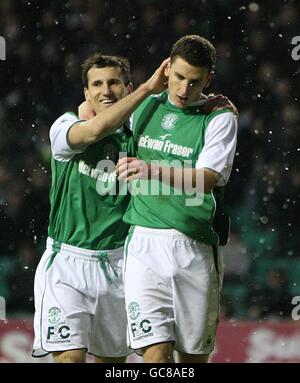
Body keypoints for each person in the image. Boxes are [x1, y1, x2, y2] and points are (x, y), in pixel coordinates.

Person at [32, 53, 169, 363]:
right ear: (86, 93)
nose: (105, 91)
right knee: (70, 359)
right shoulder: (65, 127)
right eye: (97, 84)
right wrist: (148, 88)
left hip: (121, 265)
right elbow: (93, 131)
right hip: (67, 262)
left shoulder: (141, 139)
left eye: (114, 83)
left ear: (126, 87)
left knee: (113, 363)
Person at [116, 35, 238, 363]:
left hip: (195, 247)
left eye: (195, 82)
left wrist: (150, 169)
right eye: (179, 77)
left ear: (208, 79)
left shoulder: (220, 115)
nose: (184, 90)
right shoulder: (144, 104)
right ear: (167, 69)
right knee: (155, 355)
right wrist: (145, 88)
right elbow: (94, 113)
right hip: (144, 243)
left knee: (192, 359)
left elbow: (207, 178)